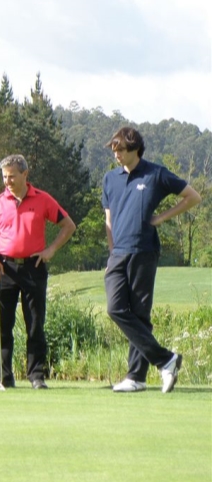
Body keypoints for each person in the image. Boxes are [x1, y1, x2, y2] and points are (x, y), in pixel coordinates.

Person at [102, 127, 201, 393]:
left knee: (140, 315)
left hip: (144, 250)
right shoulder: (110, 178)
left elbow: (192, 197)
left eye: (120, 149)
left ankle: (136, 377)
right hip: (119, 253)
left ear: (135, 149)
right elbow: (109, 220)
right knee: (115, 308)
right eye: (113, 149)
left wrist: (162, 217)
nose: (116, 154)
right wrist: (112, 253)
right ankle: (166, 359)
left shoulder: (155, 173)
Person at [0, 154, 76, 389]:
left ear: (25, 174)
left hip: (34, 267)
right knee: (2, 326)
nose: (7, 181)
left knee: (35, 324)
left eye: (12, 176)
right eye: (4, 177)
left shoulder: (42, 199)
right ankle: (3, 377)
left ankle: (36, 376)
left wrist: (50, 250)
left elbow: (68, 226)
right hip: (3, 269)